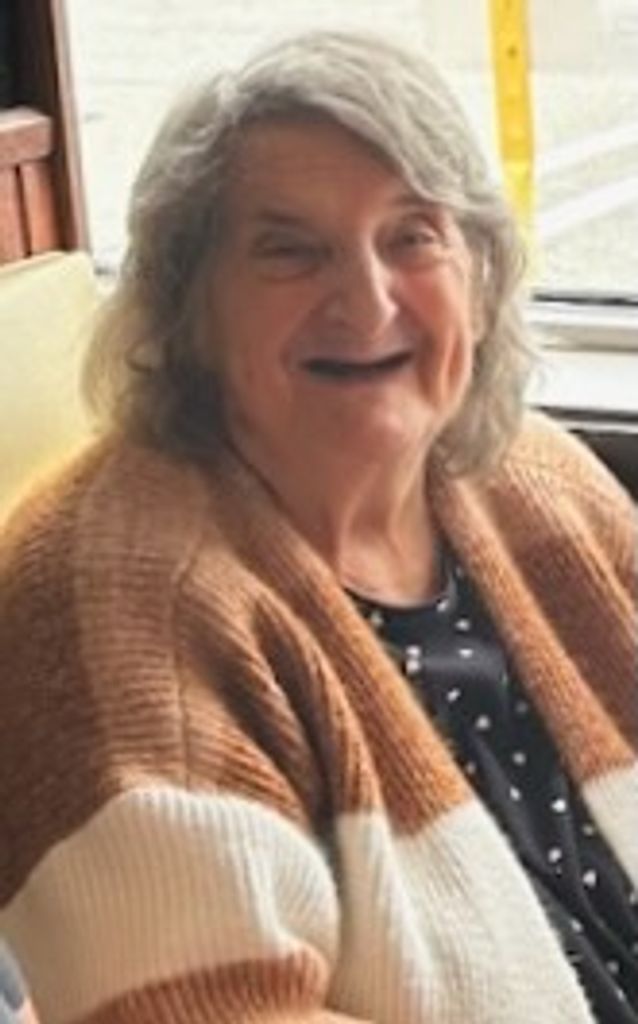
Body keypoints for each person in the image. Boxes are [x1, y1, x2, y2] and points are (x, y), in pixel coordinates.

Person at [0, 28, 636, 1024]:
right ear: (189, 307)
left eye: (412, 236)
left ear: (478, 277)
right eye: (289, 251)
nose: (367, 299)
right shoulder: (103, 603)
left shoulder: (532, 479)